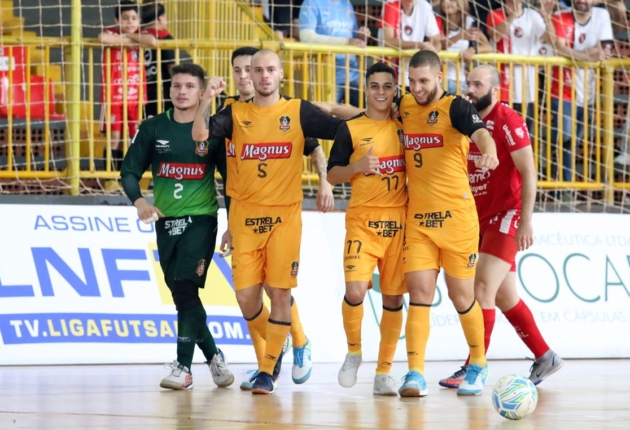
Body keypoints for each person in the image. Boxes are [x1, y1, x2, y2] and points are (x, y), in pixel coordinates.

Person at [194, 49, 343, 395]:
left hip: (283, 218)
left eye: (265, 69)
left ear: (280, 74)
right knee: (247, 299)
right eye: (251, 70)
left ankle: (267, 368)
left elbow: (338, 134)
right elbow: (200, 137)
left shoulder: (296, 111)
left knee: (279, 292)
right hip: (244, 218)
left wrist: (328, 180)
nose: (257, 76)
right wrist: (206, 99)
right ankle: (290, 338)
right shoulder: (232, 113)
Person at [439, 65, 564, 389]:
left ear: (495, 90)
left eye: (478, 84)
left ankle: (474, 367)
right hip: (478, 218)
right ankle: (545, 356)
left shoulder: (507, 119)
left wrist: (525, 221)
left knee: (482, 289)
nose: (471, 89)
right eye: (469, 83)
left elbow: (529, 171)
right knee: (506, 296)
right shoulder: (467, 121)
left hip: (505, 215)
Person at [120, 63, 234, 390]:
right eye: (176, 86)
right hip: (165, 222)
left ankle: (182, 368)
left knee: (185, 287)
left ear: (201, 92)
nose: (181, 92)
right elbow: (129, 171)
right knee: (182, 296)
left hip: (201, 219)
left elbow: (230, 182)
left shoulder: (214, 130)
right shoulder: (155, 127)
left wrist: (230, 225)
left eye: (188, 87)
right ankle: (213, 356)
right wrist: (140, 202)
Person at [397, 50, 498, 397]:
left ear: (439, 76)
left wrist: (490, 150)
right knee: (419, 294)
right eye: (412, 81)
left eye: (424, 81)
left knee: (461, 297)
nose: (417, 87)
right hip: (420, 220)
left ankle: (478, 364)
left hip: (457, 220)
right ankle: (414, 373)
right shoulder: (405, 105)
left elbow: (481, 132)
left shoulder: (456, 106)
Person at [327, 63, 406, 396]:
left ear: (394, 90)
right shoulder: (351, 129)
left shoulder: (406, 126)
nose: (381, 93)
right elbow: (332, 175)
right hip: (362, 221)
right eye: (374, 86)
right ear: (367, 90)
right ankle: (354, 351)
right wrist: (357, 167)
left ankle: (384, 371)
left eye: (387, 87)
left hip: (400, 223)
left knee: (393, 297)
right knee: (356, 291)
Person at [550, 0, 613, 183]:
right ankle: (564, 184)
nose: (582, 1)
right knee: (565, 139)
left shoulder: (602, 15)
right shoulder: (561, 16)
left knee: (575, 141)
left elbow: (605, 51)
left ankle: (563, 183)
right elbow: (559, 48)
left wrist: (573, 54)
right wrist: (588, 56)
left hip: (589, 90)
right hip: (563, 88)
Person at [98, 0, 156, 189]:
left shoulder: (143, 35)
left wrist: (130, 36)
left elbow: (152, 42)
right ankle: (111, 178)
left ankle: (133, 178)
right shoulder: (111, 32)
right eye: (125, 18)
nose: (129, 22)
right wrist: (129, 39)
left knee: (136, 137)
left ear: (139, 20)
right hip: (113, 95)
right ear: (117, 19)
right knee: (114, 136)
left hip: (136, 97)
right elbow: (102, 38)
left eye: (133, 18)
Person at [486, 0, 554, 134]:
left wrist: (547, 17)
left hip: (527, 84)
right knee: (502, 131)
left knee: (525, 131)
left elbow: (551, 39)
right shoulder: (495, 14)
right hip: (503, 83)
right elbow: (496, 36)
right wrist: (513, 14)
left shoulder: (532, 15)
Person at [298, 0, 370, 106]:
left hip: (353, 73)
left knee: (369, 115)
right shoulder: (311, 2)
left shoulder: (346, 4)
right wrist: (346, 41)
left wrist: (362, 36)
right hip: (325, 77)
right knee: (327, 118)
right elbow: (306, 37)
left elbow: (353, 38)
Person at [379, 0, 441, 86]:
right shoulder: (391, 4)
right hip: (391, 72)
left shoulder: (424, 6)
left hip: (418, 74)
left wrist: (433, 53)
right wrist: (420, 45)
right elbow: (388, 41)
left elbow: (437, 41)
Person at [436, 0, 492, 95]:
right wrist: (460, 36)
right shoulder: (437, 21)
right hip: (439, 80)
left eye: (451, 0)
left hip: (460, 80)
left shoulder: (469, 22)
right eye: (443, 0)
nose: (446, 2)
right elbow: (438, 45)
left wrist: (473, 50)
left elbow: (488, 47)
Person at [140, 1, 176, 117]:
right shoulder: (164, 37)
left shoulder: (137, 36)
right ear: (161, 18)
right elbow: (171, 66)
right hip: (162, 92)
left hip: (140, 91)